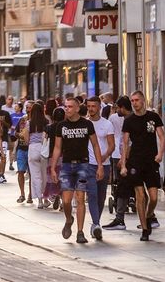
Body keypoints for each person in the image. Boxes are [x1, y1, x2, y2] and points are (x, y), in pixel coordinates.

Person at [50, 96, 103, 243]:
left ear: (78, 108)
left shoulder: (87, 124)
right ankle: (69, 219)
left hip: (83, 165)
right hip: (67, 165)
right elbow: (57, 147)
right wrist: (53, 168)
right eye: (65, 107)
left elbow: (96, 145)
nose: (67, 109)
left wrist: (99, 165)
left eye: (70, 107)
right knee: (66, 201)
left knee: (80, 198)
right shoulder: (61, 126)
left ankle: (80, 232)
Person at [119, 90, 165, 241]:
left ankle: (148, 215)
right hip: (135, 162)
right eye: (132, 101)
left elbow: (162, 136)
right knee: (139, 195)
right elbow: (125, 143)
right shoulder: (129, 120)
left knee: (153, 197)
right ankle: (144, 228)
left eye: (136, 100)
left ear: (143, 100)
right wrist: (124, 164)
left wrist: (160, 154)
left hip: (151, 161)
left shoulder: (153, 117)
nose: (134, 103)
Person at [84, 95, 114, 241]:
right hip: (88, 165)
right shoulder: (84, 123)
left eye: (93, 106)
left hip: (104, 164)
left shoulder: (107, 124)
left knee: (101, 196)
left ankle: (96, 222)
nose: (91, 109)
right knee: (92, 194)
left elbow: (112, 146)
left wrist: (102, 158)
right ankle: (96, 224)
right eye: (88, 106)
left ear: (99, 107)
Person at [103, 95, 133, 231]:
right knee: (128, 186)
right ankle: (149, 217)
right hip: (123, 156)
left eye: (117, 108)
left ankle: (120, 218)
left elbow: (128, 143)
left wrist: (123, 159)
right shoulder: (126, 119)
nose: (116, 110)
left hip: (125, 158)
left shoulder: (128, 120)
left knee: (123, 186)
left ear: (122, 107)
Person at [26, 102, 48, 209]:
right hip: (43, 148)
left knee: (35, 176)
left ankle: (39, 200)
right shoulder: (46, 122)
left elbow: (26, 139)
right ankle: (45, 198)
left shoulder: (29, 123)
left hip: (33, 148)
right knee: (44, 175)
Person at [14, 115, 30, 203]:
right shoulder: (21, 120)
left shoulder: (32, 122)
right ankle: (22, 194)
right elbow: (15, 133)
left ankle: (30, 195)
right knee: (20, 172)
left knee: (31, 173)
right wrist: (20, 135)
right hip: (21, 149)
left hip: (30, 149)